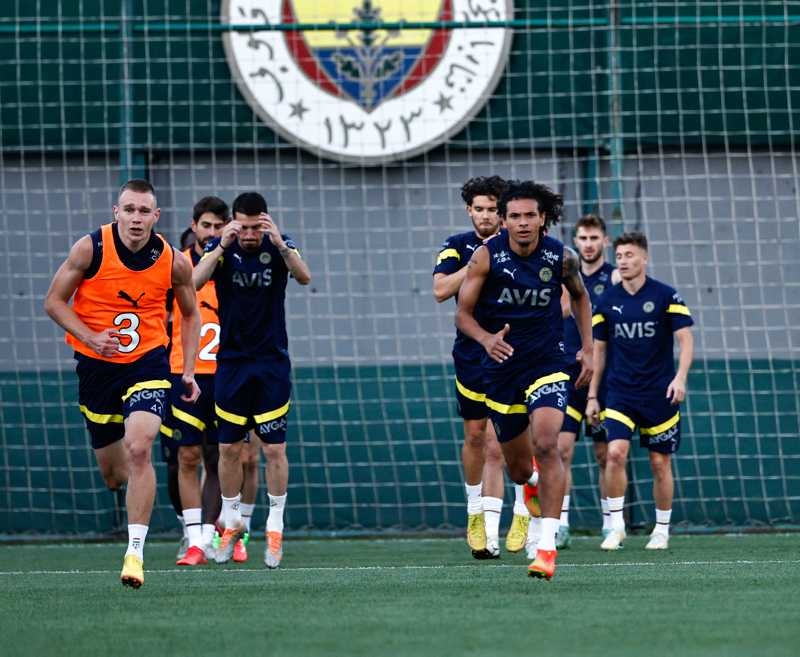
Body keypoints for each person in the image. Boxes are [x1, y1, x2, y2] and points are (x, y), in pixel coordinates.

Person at [45, 179, 201, 588]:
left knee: (140, 449)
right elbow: (53, 301)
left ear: (156, 216)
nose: (136, 218)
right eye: (128, 209)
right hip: (96, 369)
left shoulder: (173, 261)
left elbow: (190, 312)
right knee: (115, 476)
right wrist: (91, 337)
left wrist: (187, 366)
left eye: (143, 211)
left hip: (148, 365)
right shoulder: (89, 248)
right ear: (116, 212)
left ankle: (135, 554)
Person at [455, 180, 593, 580]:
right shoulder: (485, 257)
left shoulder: (561, 257)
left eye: (530, 215)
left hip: (548, 363)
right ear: (503, 221)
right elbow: (461, 314)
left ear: (542, 218)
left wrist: (588, 350)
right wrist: (485, 338)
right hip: (501, 369)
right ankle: (530, 484)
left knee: (548, 444)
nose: (522, 222)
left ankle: (546, 547)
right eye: (514, 216)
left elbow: (581, 297)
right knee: (517, 468)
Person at [192, 191, 310, 568]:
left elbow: (305, 277)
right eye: (241, 227)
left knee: (273, 450)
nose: (248, 234)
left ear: (265, 221)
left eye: (254, 227)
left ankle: (274, 529)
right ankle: (230, 522)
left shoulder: (279, 244)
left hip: (271, 364)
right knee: (228, 450)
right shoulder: (220, 246)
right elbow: (193, 283)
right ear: (233, 223)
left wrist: (280, 244)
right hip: (230, 364)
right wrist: (220, 246)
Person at [433, 176, 533, 559]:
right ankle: (476, 513)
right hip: (472, 353)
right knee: (476, 437)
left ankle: (520, 515)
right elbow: (442, 291)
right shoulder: (458, 246)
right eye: (480, 209)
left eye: (494, 209)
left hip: (515, 354)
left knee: (502, 443)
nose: (487, 215)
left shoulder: (522, 246)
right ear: (469, 211)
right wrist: (480, 259)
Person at [586, 231, 694, 550]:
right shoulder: (606, 301)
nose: (623, 261)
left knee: (660, 464)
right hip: (620, 394)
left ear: (644, 258)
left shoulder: (665, 295)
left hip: (660, 394)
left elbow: (686, 341)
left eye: (630, 255)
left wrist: (680, 378)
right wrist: (593, 394)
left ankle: (661, 530)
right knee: (614, 453)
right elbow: (599, 352)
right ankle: (616, 528)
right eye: (619, 256)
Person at [555, 215, 621, 548]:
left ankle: (612, 525)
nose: (589, 243)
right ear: (576, 242)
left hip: (607, 382)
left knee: (605, 454)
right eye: (583, 238)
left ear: (605, 242)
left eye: (595, 237)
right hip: (568, 376)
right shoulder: (565, 276)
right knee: (560, 450)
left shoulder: (617, 279)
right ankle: (560, 525)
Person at [170, 197, 229, 566]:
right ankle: (190, 534)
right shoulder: (175, 264)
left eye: (217, 226)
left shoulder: (235, 263)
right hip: (182, 372)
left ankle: (207, 536)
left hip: (227, 373)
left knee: (223, 456)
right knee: (184, 457)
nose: (210, 232)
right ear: (194, 226)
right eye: (205, 225)